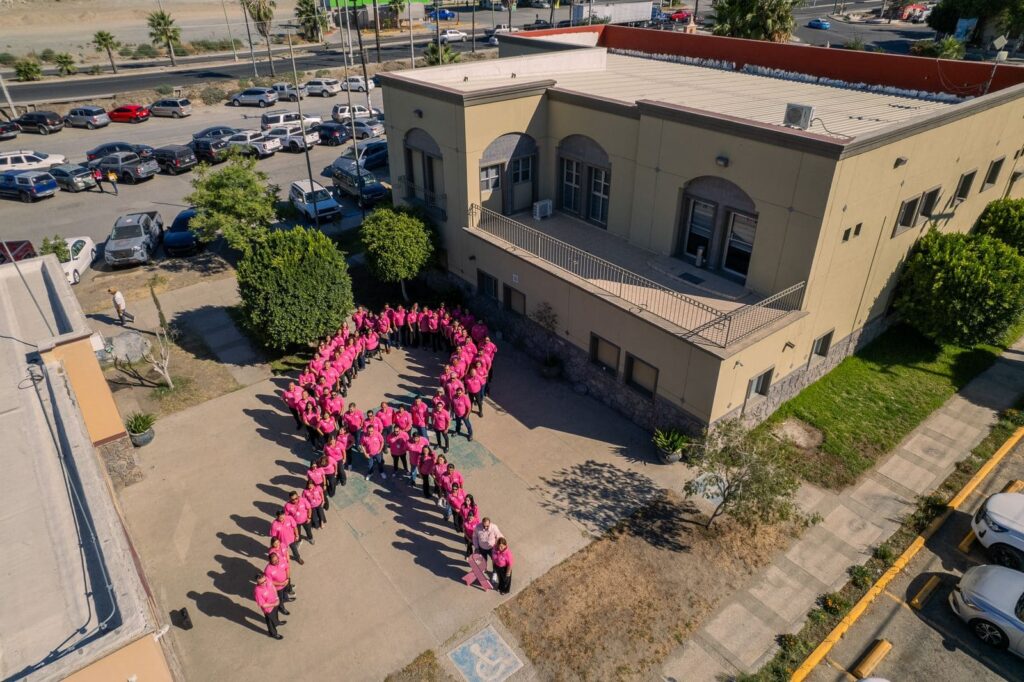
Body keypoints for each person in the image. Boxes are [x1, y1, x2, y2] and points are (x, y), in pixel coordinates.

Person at [254, 573, 284, 639]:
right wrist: (274, 604)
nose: (264, 583)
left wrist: (277, 598)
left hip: (275, 602)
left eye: (265, 581)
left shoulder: (267, 579)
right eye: (262, 582)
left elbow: (273, 587)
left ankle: (277, 622)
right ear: (258, 583)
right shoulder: (258, 591)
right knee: (270, 622)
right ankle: (273, 633)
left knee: (275, 615)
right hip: (268, 609)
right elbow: (263, 605)